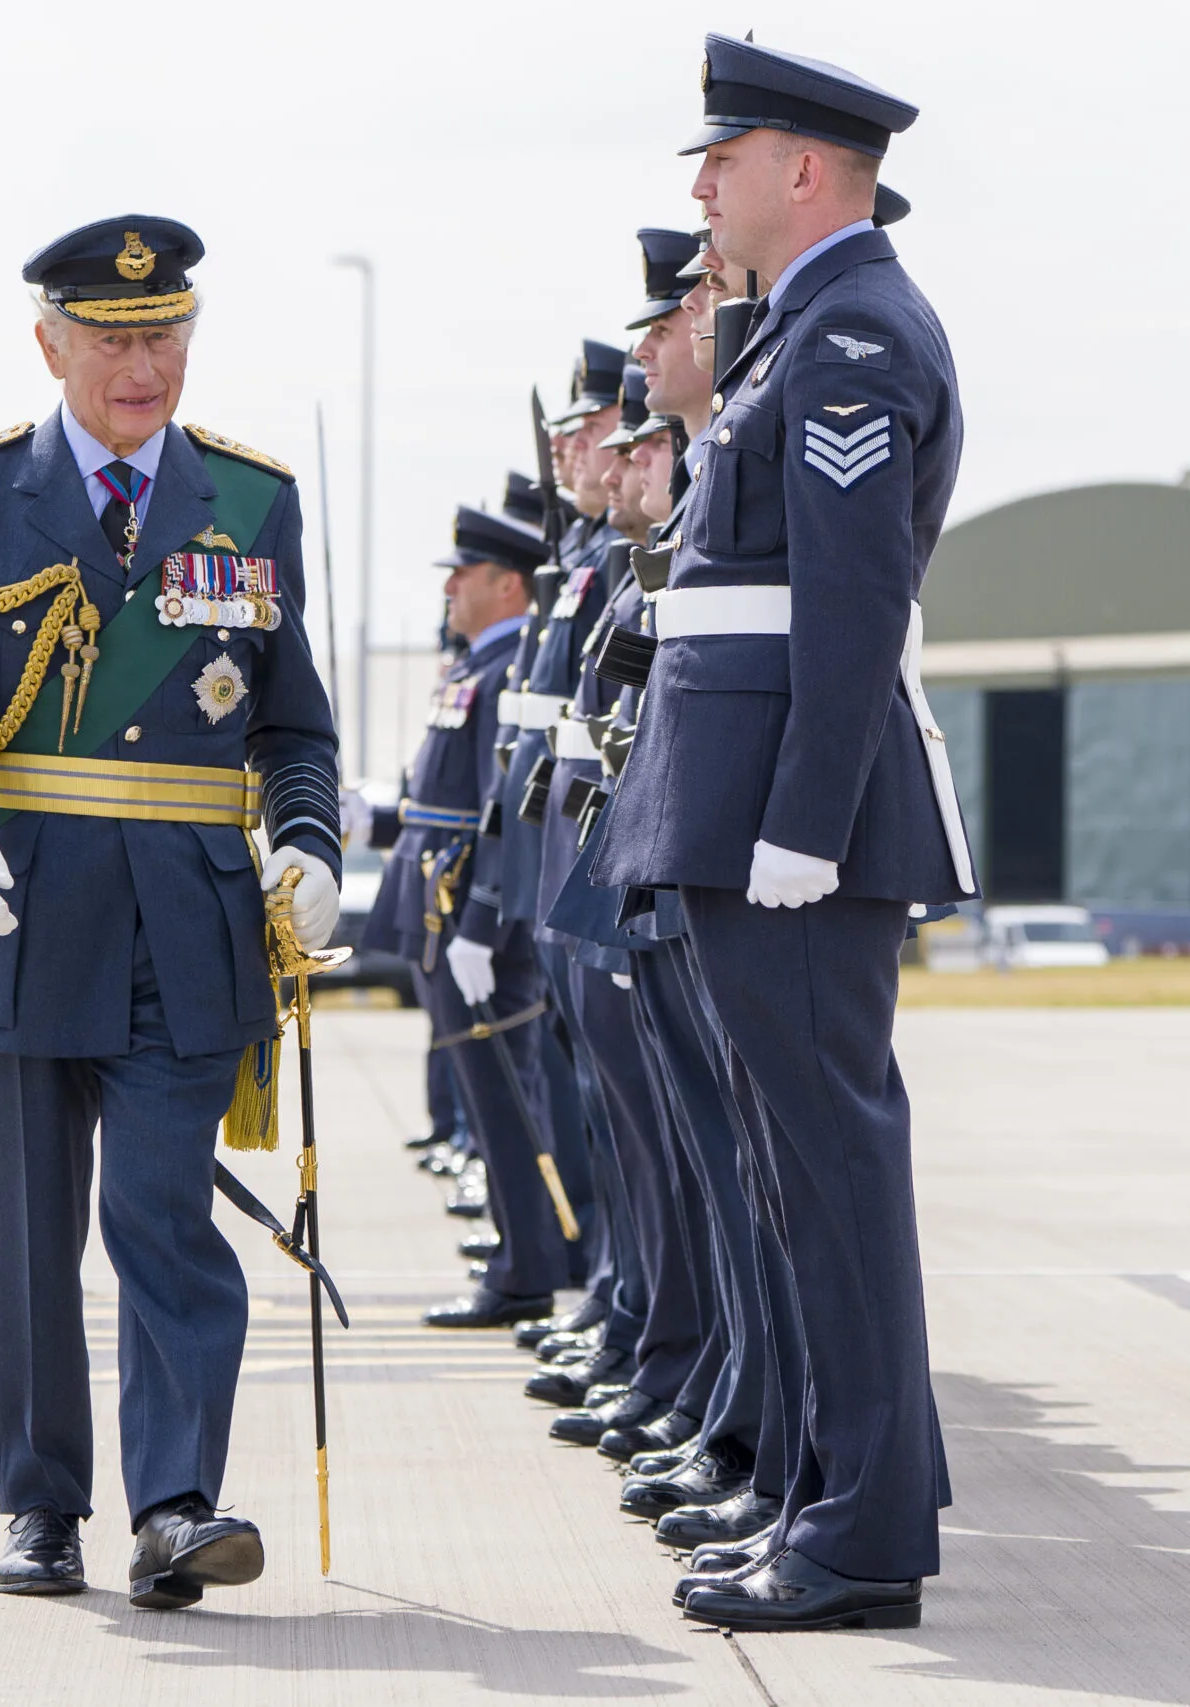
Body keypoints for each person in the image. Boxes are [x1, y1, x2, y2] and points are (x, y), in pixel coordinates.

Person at [0, 215, 343, 1606]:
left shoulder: (250, 500)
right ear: (50, 345)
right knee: (27, 1233)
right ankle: (41, 1502)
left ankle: (179, 1503)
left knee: (166, 1219)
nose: (144, 364)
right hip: (15, 910)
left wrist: (309, 838)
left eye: (167, 334)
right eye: (115, 337)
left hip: (186, 922)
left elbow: (291, 722)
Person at [593, 33, 968, 1633]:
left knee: (830, 1172)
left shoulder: (856, 337)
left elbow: (853, 600)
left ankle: (863, 1530)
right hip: (743, 806)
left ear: (803, 171)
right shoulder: (800, 335)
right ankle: (832, 1492)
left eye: (721, 158)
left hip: (789, 823)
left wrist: (806, 821)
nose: (701, 185)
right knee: (790, 1173)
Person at [367, 503, 574, 1329]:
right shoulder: (469, 670)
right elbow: (443, 802)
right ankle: (514, 1252)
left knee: (503, 1095)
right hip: (439, 906)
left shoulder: (507, 672)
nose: (450, 586)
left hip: (470, 912)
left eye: (465, 572)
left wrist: (485, 924)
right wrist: (376, 818)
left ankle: (525, 1267)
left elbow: (503, 808)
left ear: (508, 583)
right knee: (485, 1101)